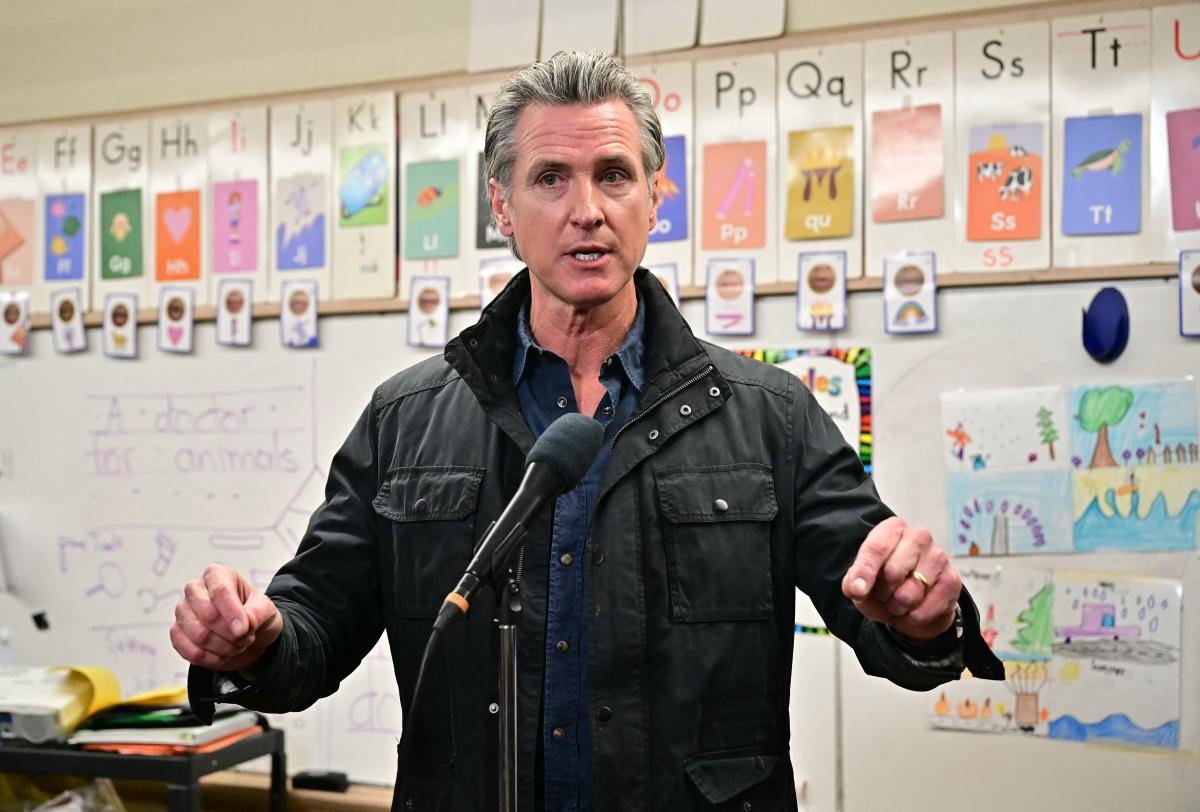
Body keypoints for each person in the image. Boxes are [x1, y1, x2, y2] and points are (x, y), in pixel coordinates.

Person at [171, 51, 1002, 810]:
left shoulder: (770, 415)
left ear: (655, 199)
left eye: (613, 175)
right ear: (502, 205)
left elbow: (891, 618)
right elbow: (313, 633)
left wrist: (921, 616)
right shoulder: (405, 420)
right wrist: (254, 641)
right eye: (550, 179)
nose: (587, 210)